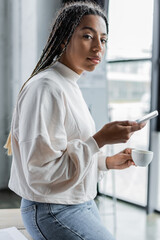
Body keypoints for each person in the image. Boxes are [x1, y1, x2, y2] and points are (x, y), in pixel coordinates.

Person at [4, 1, 145, 240]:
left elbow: (68, 150)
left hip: (79, 202)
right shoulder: (46, 88)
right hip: (52, 209)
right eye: (88, 36)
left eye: (104, 39)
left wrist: (107, 162)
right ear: (63, 39)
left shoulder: (68, 85)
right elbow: (40, 174)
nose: (98, 47)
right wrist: (99, 139)